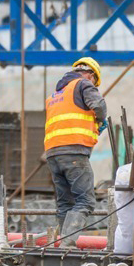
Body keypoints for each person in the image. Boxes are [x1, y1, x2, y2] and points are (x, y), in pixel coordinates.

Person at [43, 57, 107, 245]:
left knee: (65, 204)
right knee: (85, 201)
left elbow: (69, 120)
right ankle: (67, 244)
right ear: (90, 74)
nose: (93, 84)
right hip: (74, 152)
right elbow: (99, 106)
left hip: (53, 154)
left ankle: (61, 245)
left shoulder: (55, 96)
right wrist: (101, 121)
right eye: (94, 81)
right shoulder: (82, 84)